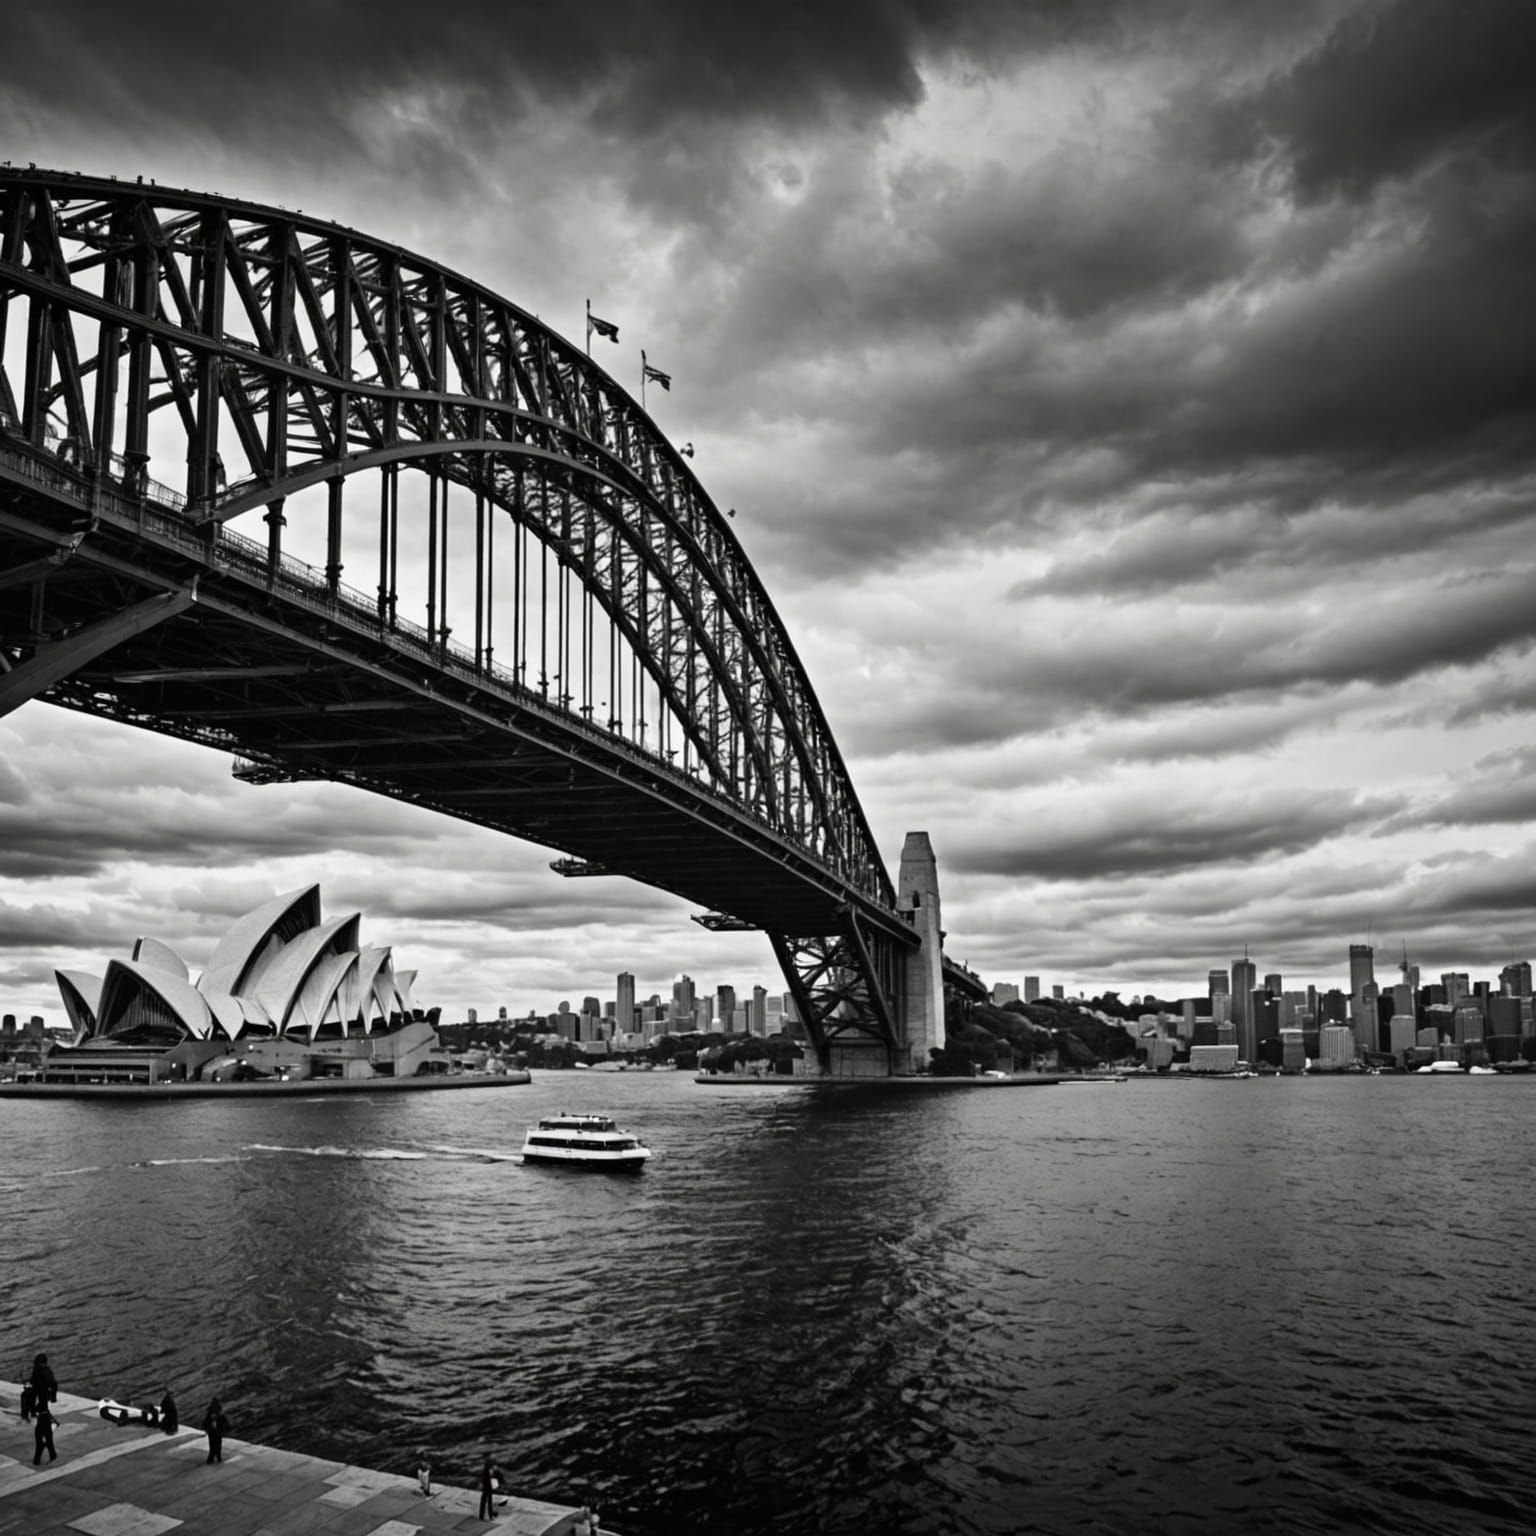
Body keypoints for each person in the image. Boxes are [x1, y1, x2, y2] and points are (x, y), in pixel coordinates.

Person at [202, 1397, 228, 1463]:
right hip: (218, 1431)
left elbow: (206, 1421)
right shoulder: (220, 1412)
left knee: (212, 1444)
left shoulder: (210, 1411)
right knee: (218, 1444)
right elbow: (224, 1422)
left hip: (212, 1431)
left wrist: (205, 1428)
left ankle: (211, 1458)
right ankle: (218, 1457)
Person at [32, 1401, 57, 1465]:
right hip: (45, 1421)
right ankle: (52, 1454)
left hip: (42, 1422)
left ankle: (37, 1460)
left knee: (41, 1442)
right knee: (48, 1441)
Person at [477, 1452, 500, 1520]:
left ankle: (482, 1515)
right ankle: (490, 1516)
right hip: (488, 1486)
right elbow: (492, 1477)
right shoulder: (491, 1469)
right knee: (489, 1501)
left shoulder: (486, 1468)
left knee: (484, 1500)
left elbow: (485, 1477)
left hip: (486, 1485)